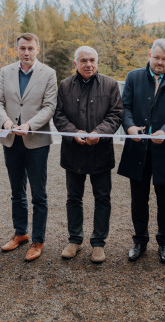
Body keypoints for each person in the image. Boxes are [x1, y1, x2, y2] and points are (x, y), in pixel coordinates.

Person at [118, 38, 165, 264]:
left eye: (164, 59)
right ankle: (139, 241)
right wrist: (129, 127)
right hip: (137, 147)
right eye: (156, 57)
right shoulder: (134, 77)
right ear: (150, 56)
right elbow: (125, 107)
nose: (159, 62)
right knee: (138, 199)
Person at [53, 46, 123, 263]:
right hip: (73, 152)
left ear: (97, 62)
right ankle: (75, 239)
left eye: (92, 60)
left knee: (102, 198)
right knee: (73, 198)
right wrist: (73, 133)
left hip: (100, 152)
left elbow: (116, 114)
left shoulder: (110, 85)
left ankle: (98, 243)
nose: (88, 64)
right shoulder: (64, 86)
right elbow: (58, 115)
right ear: (76, 63)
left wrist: (99, 133)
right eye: (83, 60)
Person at [0, 33, 57, 261]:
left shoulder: (49, 73)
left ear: (38, 49)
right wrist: (7, 123)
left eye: (30, 48)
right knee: (16, 192)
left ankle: (38, 240)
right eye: (22, 48)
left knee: (38, 193)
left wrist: (29, 125)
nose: (26, 52)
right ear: (17, 49)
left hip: (36, 141)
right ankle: (21, 233)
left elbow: (50, 106)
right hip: (11, 140)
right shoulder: (5, 71)